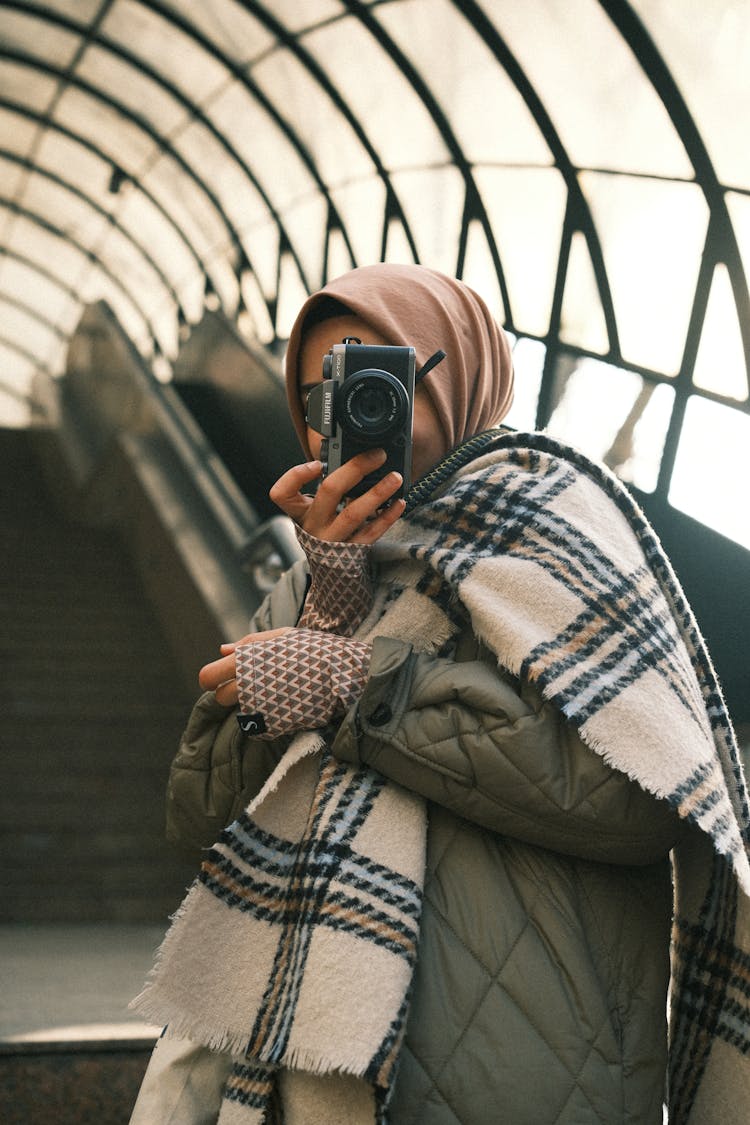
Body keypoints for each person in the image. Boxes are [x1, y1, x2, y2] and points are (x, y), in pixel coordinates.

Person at [130, 264, 750, 1125]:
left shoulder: (564, 534)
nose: (352, 413)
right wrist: (328, 610)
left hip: (537, 1065)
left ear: (458, 370)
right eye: (322, 396)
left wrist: (359, 685)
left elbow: (637, 795)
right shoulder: (314, 577)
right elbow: (203, 814)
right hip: (312, 1072)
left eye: (380, 378)